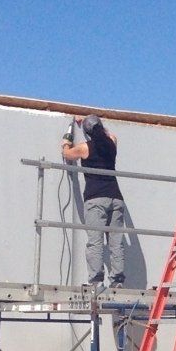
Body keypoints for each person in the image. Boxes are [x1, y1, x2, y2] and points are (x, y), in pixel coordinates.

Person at [62, 114, 128, 290]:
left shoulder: (84, 148)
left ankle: (96, 281)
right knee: (116, 241)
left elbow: (67, 154)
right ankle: (117, 280)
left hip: (96, 198)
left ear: (87, 132)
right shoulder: (112, 141)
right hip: (116, 197)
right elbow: (104, 134)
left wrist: (66, 140)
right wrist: (91, 122)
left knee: (95, 241)